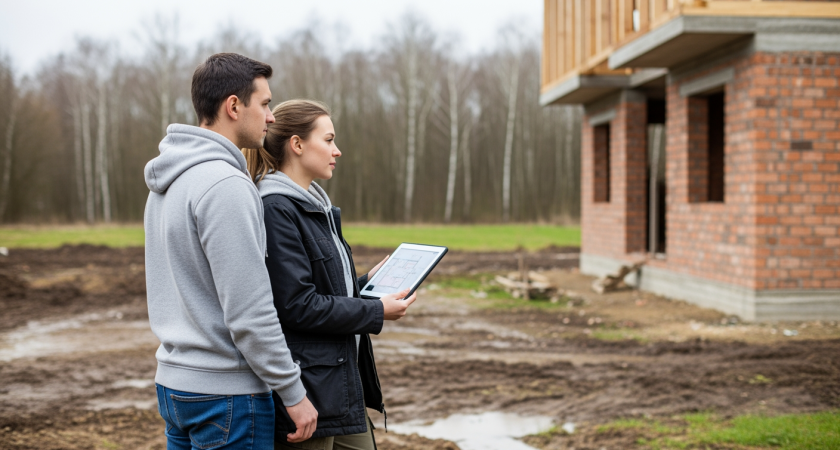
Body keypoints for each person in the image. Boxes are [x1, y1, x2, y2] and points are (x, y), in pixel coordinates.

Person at [144, 53, 318, 449]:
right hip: (226, 396)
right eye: (266, 103)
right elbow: (249, 312)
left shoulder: (169, 181)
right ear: (234, 107)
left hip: (175, 388)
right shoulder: (226, 185)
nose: (272, 117)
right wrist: (294, 394)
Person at [242, 99, 417, 450]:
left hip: (339, 383)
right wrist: (375, 311)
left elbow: (323, 288)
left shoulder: (315, 206)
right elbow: (297, 305)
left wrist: (367, 284)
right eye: (329, 140)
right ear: (298, 144)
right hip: (309, 387)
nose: (337, 151)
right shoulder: (277, 209)